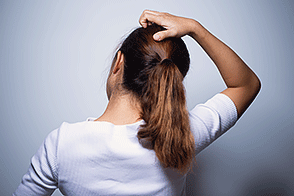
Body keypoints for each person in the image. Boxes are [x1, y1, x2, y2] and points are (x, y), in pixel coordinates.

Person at [13, 10, 261, 195]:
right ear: (171, 79)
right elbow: (246, 84)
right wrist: (195, 28)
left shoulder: (62, 145)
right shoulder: (182, 135)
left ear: (118, 62)